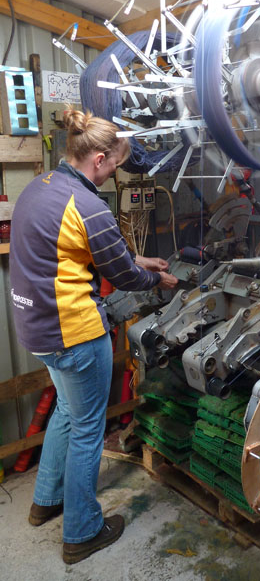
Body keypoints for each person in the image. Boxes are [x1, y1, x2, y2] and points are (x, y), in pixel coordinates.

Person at [9, 108, 178, 564]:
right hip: (75, 333)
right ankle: (82, 531)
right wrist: (157, 279)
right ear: (99, 158)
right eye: (116, 165)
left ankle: (46, 500)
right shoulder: (90, 206)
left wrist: (137, 263)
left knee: (67, 410)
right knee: (88, 429)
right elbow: (121, 273)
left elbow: (87, 252)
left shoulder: (42, 187)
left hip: (37, 328)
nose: (116, 173)